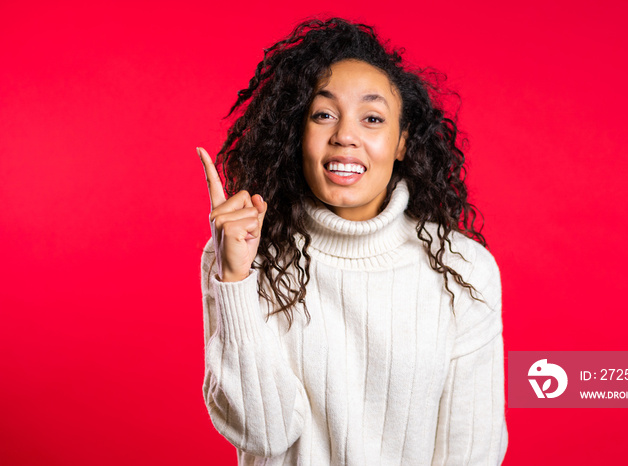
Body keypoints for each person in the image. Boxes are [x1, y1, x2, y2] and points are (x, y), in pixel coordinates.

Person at [198, 18, 507, 465]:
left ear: (402, 142)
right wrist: (236, 277)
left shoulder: (463, 268)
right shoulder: (242, 253)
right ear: (296, 134)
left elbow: (471, 450)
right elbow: (261, 434)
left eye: (372, 118)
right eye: (323, 114)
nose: (345, 135)